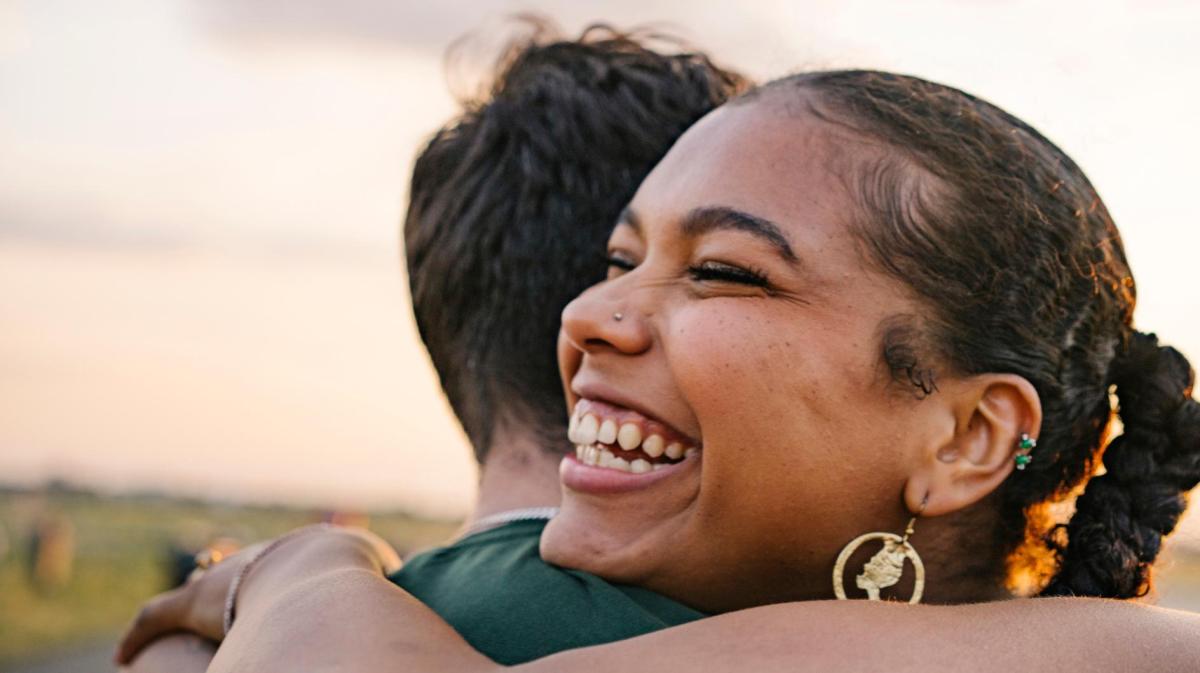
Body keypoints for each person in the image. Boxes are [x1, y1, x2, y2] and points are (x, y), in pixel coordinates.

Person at [119, 53, 1200, 673]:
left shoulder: (470, 614)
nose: (592, 313)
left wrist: (302, 566)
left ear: (967, 436)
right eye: (621, 257)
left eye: (725, 272)